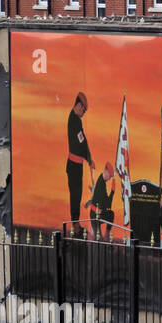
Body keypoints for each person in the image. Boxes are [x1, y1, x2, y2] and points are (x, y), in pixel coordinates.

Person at [65, 92, 94, 237]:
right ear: (78, 105)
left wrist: (89, 159)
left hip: (78, 165)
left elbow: (84, 141)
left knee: (77, 195)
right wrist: (88, 158)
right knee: (75, 196)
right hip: (74, 165)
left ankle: (76, 224)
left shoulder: (77, 121)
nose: (83, 113)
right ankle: (75, 226)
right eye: (83, 110)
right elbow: (80, 143)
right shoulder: (74, 120)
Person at [84, 162, 115, 241]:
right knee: (99, 239)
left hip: (98, 214)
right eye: (109, 176)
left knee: (111, 214)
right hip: (95, 215)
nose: (109, 179)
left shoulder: (101, 181)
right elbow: (107, 204)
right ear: (106, 172)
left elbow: (105, 204)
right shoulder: (101, 183)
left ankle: (106, 235)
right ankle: (103, 238)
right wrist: (112, 192)